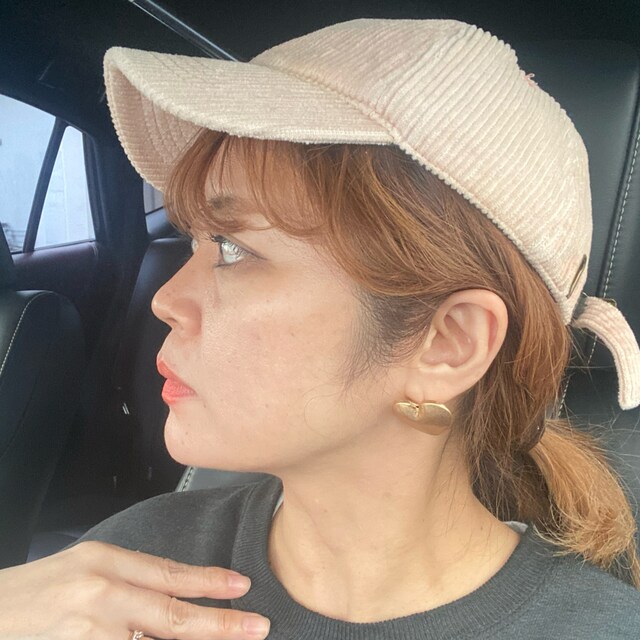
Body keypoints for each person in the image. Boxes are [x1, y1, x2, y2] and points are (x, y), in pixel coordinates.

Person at [2, 16, 640, 640]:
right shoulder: (119, 575)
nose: (166, 299)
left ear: (449, 343)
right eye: (193, 241)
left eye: (233, 248)